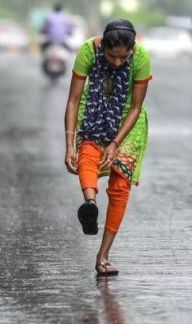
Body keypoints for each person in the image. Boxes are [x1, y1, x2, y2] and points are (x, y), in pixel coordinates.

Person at [63, 19, 151, 277]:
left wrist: (115, 143)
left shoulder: (142, 58)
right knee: (87, 155)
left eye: (123, 57)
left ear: (132, 50)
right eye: (112, 56)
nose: (117, 62)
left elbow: (135, 107)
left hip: (128, 122)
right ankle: (89, 205)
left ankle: (103, 256)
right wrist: (69, 144)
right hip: (93, 112)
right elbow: (73, 100)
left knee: (120, 185)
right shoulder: (87, 51)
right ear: (103, 46)